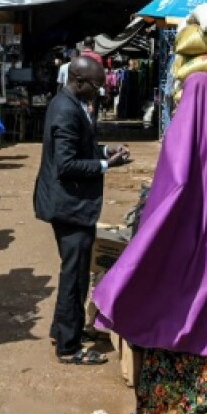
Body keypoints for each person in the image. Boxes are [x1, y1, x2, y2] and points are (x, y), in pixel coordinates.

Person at [93, 72, 207, 414]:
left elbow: (169, 190)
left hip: (178, 252)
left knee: (165, 329)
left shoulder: (181, 133)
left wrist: (145, 238)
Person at [33, 55, 131, 365]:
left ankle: (63, 329)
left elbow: (80, 148)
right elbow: (67, 164)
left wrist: (104, 151)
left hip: (70, 202)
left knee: (74, 271)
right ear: (79, 81)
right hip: (68, 205)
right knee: (73, 275)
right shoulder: (65, 110)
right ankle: (69, 347)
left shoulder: (72, 104)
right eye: (97, 85)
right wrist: (105, 165)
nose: (100, 91)